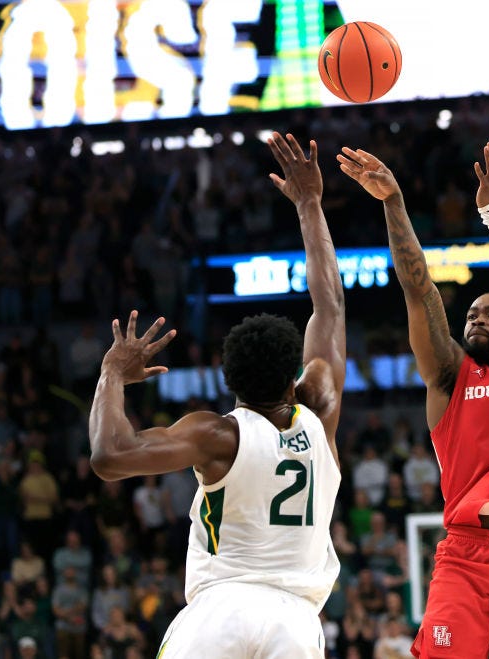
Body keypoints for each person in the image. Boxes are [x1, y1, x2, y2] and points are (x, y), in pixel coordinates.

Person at [88, 133, 346, 658]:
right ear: (292, 372)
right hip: (296, 621)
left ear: (228, 380)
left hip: (220, 609)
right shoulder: (318, 404)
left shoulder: (216, 433)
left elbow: (109, 457)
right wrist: (310, 205)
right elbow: (330, 306)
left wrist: (113, 372)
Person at [338, 142, 489, 657]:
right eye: (470, 315)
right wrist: (393, 202)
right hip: (463, 556)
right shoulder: (450, 376)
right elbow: (419, 291)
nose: (475, 319)